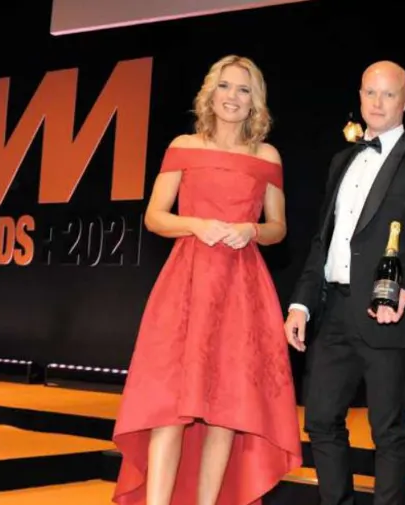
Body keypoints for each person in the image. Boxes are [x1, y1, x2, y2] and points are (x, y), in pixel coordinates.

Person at [112, 55, 302, 505]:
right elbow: (155, 217)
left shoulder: (267, 155)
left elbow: (278, 227)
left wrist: (250, 230)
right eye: (225, 86)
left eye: (243, 89)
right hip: (186, 283)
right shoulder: (183, 145)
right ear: (210, 93)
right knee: (168, 407)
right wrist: (196, 224)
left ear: (255, 100)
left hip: (242, 287)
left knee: (226, 409)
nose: (233, 97)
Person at [284, 60, 405, 505]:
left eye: (388, 94)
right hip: (333, 311)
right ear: (359, 97)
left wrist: (397, 291)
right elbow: (324, 241)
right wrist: (301, 303)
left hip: (386, 313)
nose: (377, 102)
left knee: (388, 430)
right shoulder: (342, 159)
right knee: (319, 420)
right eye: (370, 93)